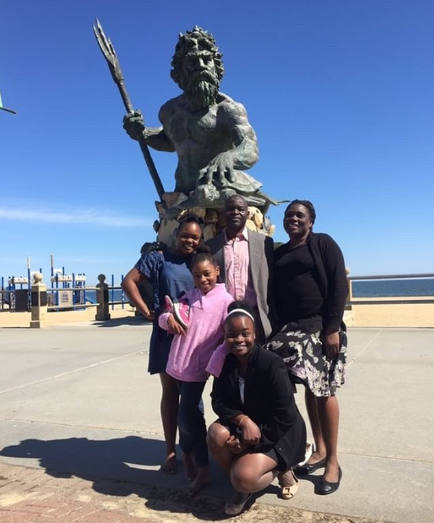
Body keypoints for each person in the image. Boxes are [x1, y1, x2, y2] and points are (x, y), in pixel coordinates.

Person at [123, 27, 265, 206]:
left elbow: (250, 149)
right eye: (192, 61)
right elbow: (169, 141)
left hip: (219, 192)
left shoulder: (228, 110)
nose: (201, 66)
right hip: (182, 193)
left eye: (207, 60)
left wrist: (229, 157)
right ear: (180, 71)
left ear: (216, 67)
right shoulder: (169, 111)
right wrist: (141, 133)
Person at [265, 199, 348, 495]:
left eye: (299, 215)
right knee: (304, 389)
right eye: (289, 215)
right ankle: (319, 448)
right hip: (291, 329)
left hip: (320, 326)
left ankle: (333, 462)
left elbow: (339, 283)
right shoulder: (280, 252)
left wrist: (332, 327)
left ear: (311, 221)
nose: (293, 219)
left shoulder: (323, 243)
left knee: (323, 390)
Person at [121, 215, 203, 474]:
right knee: (171, 393)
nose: (189, 240)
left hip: (193, 337)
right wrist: (147, 311)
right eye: (185, 235)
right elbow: (129, 281)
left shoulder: (200, 262)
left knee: (193, 398)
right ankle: (170, 451)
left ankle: (192, 453)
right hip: (166, 334)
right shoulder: (158, 258)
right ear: (176, 234)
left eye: (195, 237)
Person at [207, 302, 306, 516]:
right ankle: (241, 487)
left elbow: (285, 415)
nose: (239, 339)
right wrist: (242, 422)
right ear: (224, 336)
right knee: (216, 434)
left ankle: (278, 470)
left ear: (255, 334)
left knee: (244, 476)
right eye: (232, 334)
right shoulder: (226, 363)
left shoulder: (271, 364)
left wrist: (250, 441)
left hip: (278, 432)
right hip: (248, 426)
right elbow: (218, 401)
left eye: (245, 333)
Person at [158, 249, 234, 495]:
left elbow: (227, 339)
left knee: (187, 417)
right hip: (175, 364)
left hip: (197, 370)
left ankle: (201, 465)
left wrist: (214, 363)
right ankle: (191, 458)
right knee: (188, 416)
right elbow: (168, 315)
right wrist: (167, 319)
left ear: (217, 272)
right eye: (197, 275)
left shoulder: (226, 301)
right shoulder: (189, 296)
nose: (203, 280)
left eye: (207, 274)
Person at [207, 194, 274, 343]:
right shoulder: (212, 246)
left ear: (247, 214)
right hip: (223, 318)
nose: (235, 212)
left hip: (257, 318)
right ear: (224, 214)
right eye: (230, 209)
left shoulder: (264, 243)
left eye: (240, 209)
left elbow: (272, 282)